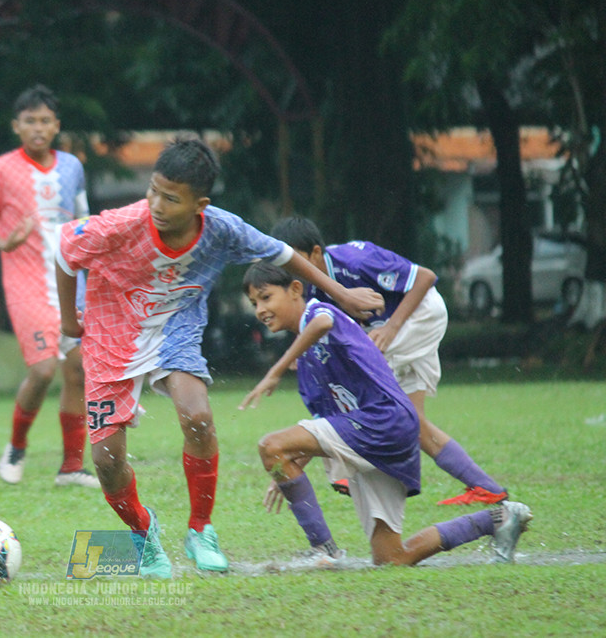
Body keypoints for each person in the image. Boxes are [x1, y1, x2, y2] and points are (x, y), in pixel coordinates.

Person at [55, 136, 385, 578]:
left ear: (200, 205)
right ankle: (143, 533)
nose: (156, 205)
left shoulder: (221, 229)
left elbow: (284, 254)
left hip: (175, 330)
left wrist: (341, 293)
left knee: (198, 417)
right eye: (153, 191)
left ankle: (200, 530)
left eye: (171, 198)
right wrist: (69, 321)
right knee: (107, 463)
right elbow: (65, 251)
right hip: (112, 333)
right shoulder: (122, 224)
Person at [239, 260, 532, 568]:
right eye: (254, 303)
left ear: (296, 289)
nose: (260, 309)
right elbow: (327, 425)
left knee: (270, 445)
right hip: (382, 434)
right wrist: (286, 470)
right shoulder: (308, 365)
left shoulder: (318, 312)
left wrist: (275, 371)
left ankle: (323, 550)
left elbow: (323, 322)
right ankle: (499, 518)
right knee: (391, 558)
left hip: (383, 422)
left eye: (266, 297)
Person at [270, 216, 507, 506]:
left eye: (294, 262)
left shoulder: (356, 261)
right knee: (413, 422)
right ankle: (486, 487)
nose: (290, 272)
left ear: (316, 253)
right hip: (394, 329)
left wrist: (391, 328)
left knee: (360, 389)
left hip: (420, 315)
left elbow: (425, 277)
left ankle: (347, 469)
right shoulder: (311, 288)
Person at [0, 84, 98, 489]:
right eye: (30, 121)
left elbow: (84, 223)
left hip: (71, 283)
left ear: (57, 125)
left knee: (78, 369)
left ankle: (71, 467)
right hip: (25, 283)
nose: (38, 128)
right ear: (16, 126)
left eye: (45, 121)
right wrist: (4, 242)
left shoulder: (72, 167)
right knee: (43, 371)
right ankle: (16, 446)